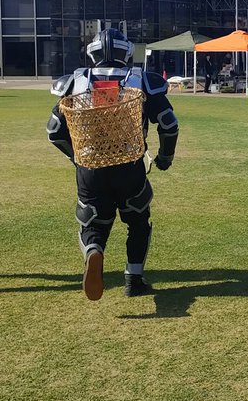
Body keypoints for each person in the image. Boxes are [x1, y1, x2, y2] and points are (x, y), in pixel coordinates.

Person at [47, 28, 179, 300]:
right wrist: (165, 157)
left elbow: (54, 131)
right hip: (130, 166)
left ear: (92, 53)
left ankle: (94, 250)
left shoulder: (76, 82)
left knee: (93, 223)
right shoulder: (141, 80)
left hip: (90, 167)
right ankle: (134, 278)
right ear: (126, 52)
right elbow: (169, 124)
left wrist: (76, 157)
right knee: (138, 221)